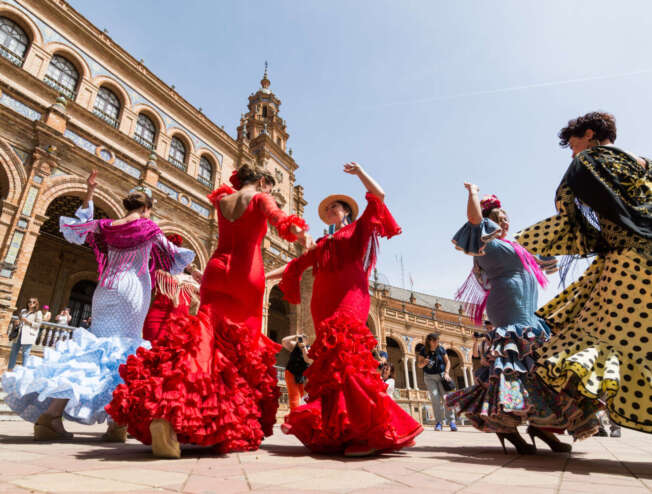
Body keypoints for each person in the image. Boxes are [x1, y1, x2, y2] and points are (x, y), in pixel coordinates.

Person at [107, 165, 311, 458]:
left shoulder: (223, 200)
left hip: (216, 270)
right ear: (263, 182)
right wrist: (300, 233)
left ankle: (167, 412)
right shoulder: (260, 198)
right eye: (270, 188)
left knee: (203, 340)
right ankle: (222, 420)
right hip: (246, 275)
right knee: (241, 351)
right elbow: (281, 220)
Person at [1, 170, 194, 442]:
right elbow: (172, 255)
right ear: (147, 208)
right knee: (126, 352)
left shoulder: (107, 227)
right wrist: (193, 273)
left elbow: (79, 227)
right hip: (132, 290)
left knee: (92, 349)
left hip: (104, 289)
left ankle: (51, 416)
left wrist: (90, 192)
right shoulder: (149, 227)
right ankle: (117, 424)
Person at [268, 162, 423, 456]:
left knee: (347, 356)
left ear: (347, 212)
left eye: (335, 207)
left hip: (350, 299)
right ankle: (343, 429)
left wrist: (361, 172)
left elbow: (380, 195)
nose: (329, 211)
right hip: (322, 305)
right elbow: (294, 266)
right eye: (327, 210)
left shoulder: (358, 229)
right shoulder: (323, 242)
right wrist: (259, 277)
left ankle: (366, 431)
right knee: (332, 366)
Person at [515, 112, 651, 434]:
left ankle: (551, 419)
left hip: (627, 266)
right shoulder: (645, 164)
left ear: (589, 134)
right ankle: (561, 420)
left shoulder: (589, 161)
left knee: (591, 343)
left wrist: (523, 243)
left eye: (573, 142)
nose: (572, 151)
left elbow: (570, 221)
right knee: (637, 344)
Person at [446, 184, 598, 454]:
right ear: (489, 220)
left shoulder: (518, 246)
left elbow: (551, 254)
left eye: (506, 215)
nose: (505, 219)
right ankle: (508, 427)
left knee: (542, 369)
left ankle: (542, 426)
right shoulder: (487, 243)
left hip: (530, 315)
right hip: (508, 310)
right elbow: (473, 220)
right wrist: (473, 194)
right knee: (512, 369)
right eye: (498, 216)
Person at [141, 233, 201, 343]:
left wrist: (193, 269)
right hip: (155, 321)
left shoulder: (192, 281)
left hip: (179, 329)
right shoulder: (158, 273)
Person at [417, 333, 457, 431]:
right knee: (435, 398)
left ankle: (451, 421)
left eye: (437, 341)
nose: (436, 343)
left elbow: (447, 362)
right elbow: (419, 365)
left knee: (446, 398)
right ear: (429, 341)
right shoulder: (423, 350)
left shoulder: (441, 349)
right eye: (434, 341)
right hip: (429, 377)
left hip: (442, 375)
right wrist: (424, 362)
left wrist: (447, 373)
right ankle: (439, 422)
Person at [7, 298, 42, 370]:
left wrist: (27, 322)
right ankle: (10, 369)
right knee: (13, 352)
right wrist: (17, 322)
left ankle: (23, 371)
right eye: (29, 301)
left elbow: (38, 325)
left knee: (25, 353)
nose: (31, 303)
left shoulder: (38, 313)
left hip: (28, 334)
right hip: (19, 333)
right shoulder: (23, 311)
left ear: (36, 304)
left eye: (33, 302)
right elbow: (20, 320)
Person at [281, 334, 313, 410]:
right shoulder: (294, 345)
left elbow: (307, 359)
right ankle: (294, 415)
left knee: (305, 397)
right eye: (300, 339)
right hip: (291, 372)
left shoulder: (309, 348)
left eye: (303, 338)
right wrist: (295, 336)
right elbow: (284, 341)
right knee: (293, 396)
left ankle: (303, 414)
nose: (301, 340)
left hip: (303, 375)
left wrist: (303, 347)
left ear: (307, 340)